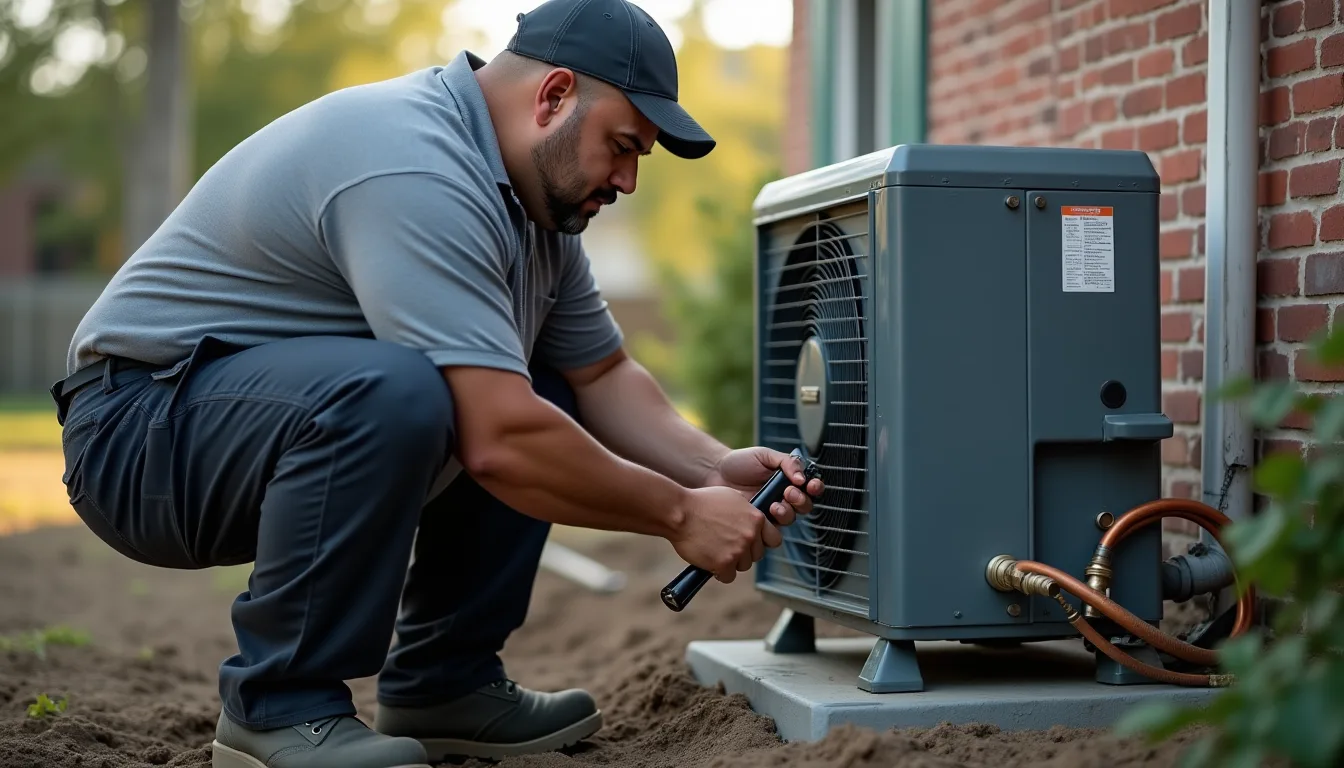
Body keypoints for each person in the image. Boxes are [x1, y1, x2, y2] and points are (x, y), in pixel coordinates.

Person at [50, 1, 824, 766]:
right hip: (139, 430)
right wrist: (681, 513)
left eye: (638, 159)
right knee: (404, 391)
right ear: (553, 97)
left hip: (246, 420)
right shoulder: (415, 159)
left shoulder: (536, 212)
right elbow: (499, 442)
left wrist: (709, 468)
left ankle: (441, 685)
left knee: (533, 381)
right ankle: (276, 709)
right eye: (621, 146)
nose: (625, 180)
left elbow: (601, 375)